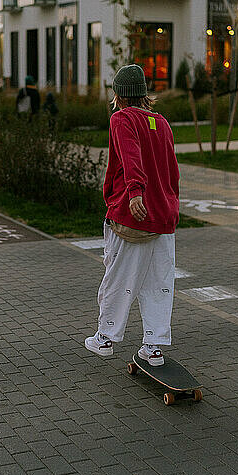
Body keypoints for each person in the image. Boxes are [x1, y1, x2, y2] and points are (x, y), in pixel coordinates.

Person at [85, 64, 180, 366]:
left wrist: (135, 191)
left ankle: (105, 338)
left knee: (119, 277)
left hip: (131, 215)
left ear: (119, 95)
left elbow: (130, 155)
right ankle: (153, 346)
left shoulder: (121, 119)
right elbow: (172, 170)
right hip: (163, 217)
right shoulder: (161, 123)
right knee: (159, 283)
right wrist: (170, 203)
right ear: (143, 94)